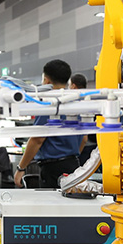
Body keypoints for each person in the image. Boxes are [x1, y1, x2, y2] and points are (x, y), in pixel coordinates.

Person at [14, 60, 85, 188]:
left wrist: (21, 168)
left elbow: (37, 139)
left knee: (53, 200)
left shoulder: (49, 103)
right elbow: (84, 138)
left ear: (46, 81)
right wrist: (70, 156)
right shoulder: (76, 102)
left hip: (53, 169)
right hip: (74, 165)